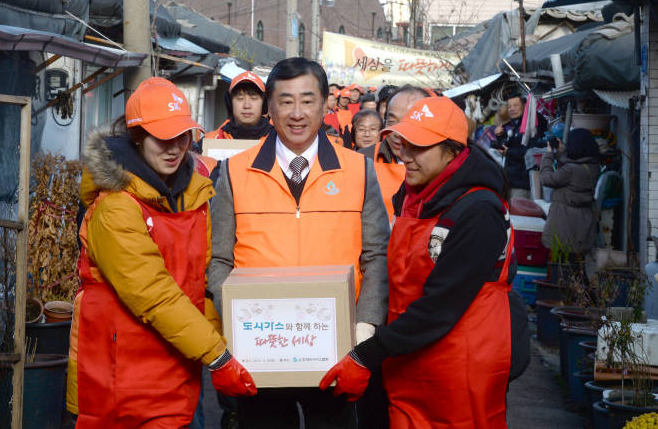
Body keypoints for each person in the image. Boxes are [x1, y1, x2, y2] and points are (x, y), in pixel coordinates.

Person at [321, 96, 530, 428]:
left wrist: (369, 353)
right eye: (404, 143)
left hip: (458, 365)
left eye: (420, 146)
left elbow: (440, 306)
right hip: (410, 355)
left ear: (453, 150)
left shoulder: (479, 210)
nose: (406, 155)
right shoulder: (413, 195)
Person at [208, 57, 390, 428]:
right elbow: (218, 259)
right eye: (285, 100)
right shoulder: (233, 171)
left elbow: (377, 256)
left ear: (325, 105)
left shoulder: (359, 170)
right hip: (260, 351)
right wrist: (238, 322)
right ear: (269, 107)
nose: (297, 113)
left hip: (337, 349)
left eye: (308, 100)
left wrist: (365, 331)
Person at [67, 77, 256, 427]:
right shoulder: (115, 208)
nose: (174, 148)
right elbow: (154, 294)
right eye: (162, 138)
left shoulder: (193, 196)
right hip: (120, 381)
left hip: (174, 371)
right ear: (137, 137)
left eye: (182, 137)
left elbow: (198, 287)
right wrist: (218, 355)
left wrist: (230, 347)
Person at [359, 86, 428, 222]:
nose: (397, 132)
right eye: (391, 122)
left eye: (408, 122)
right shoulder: (362, 160)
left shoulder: (442, 164)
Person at [540, 128, 601, 254]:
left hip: (565, 222)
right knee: (576, 262)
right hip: (583, 221)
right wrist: (562, 153)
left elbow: (546, 179)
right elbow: (574, 164)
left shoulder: (570, 171)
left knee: (561, 263)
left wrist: (548, 155)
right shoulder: (594, 166)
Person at [203, 71, 272, 141]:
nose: (247, 105)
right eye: (240, 98)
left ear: (264, 103)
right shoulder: (210, 141)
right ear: (230, 103)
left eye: (253, 98)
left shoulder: (279, 140)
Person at [495, 94, 533, 198]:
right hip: (510, 181)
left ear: (524, 106)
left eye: (515, 105)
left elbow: (528, 152)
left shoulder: (529, 126)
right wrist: (500, 136)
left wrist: (508, 152)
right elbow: (505, 146)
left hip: (522, 183)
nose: (512, 109)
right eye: (509, 106)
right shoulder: (513, 126)